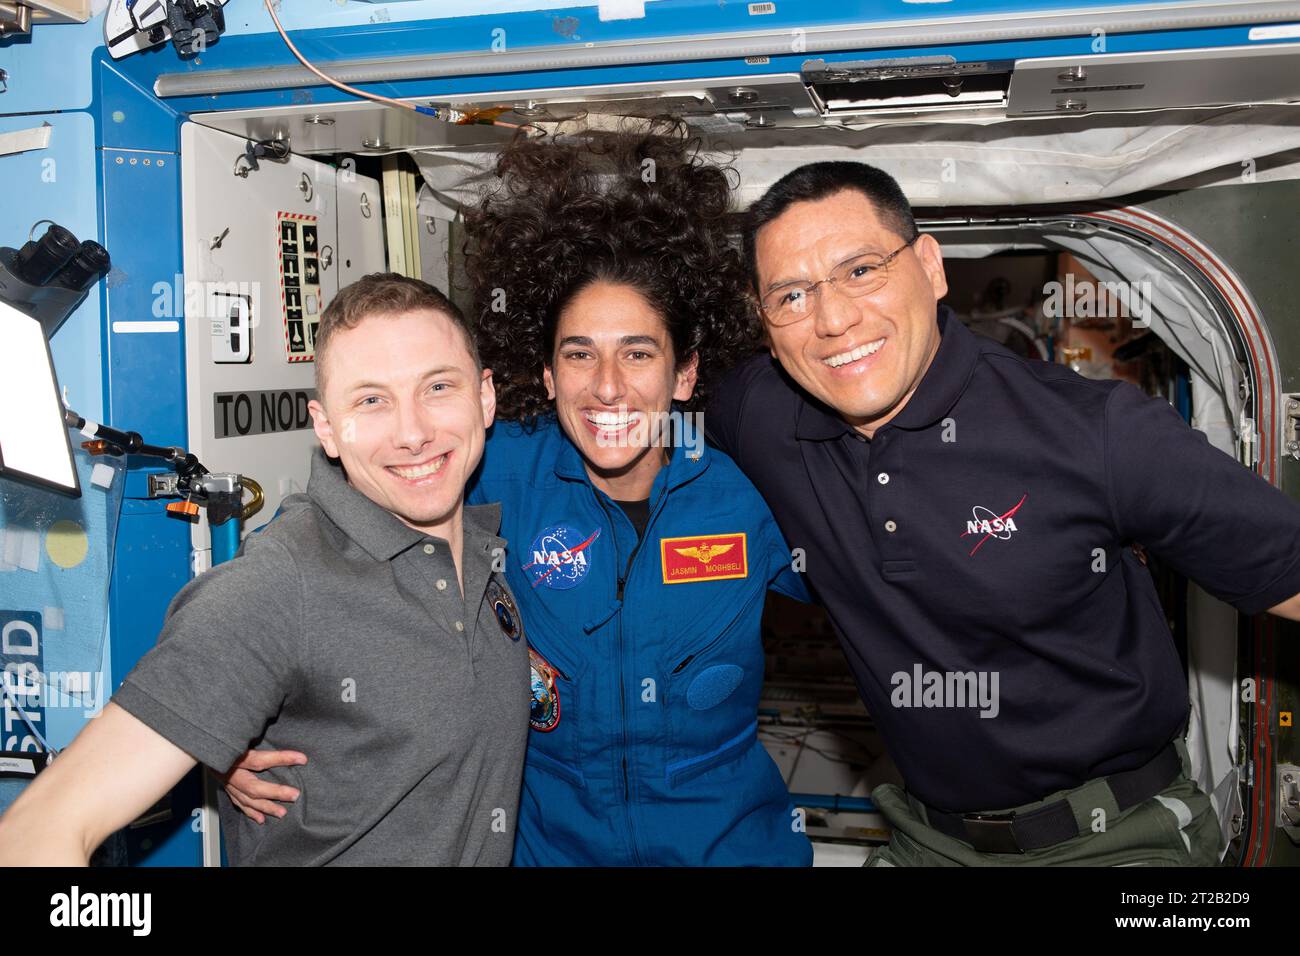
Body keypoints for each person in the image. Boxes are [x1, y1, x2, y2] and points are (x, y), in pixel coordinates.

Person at [224, 123, 814, 866]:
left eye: (638, 353)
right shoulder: (490, 470)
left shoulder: (752, 490)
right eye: (579, 355)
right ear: (545, 375)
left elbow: (872, 592)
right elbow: (318, 534)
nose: (607, 386)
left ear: (686, 374)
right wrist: (237, 724)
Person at [705, 160, 1300, 865]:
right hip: (927, 838)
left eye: (861, 270)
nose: (833, 320)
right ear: (764, 319)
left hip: (1117, 839)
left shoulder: (1096, 431)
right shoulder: (755, 414)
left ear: (930, 266)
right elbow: (616, 412)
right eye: (792, 295)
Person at [0, 275, 528, 866]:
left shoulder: (487, 545)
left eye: (437, 387)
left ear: (485, 399)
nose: (413, 433)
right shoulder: (281, 585)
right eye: (371, 400)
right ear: (326, 427)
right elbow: (36, 831)